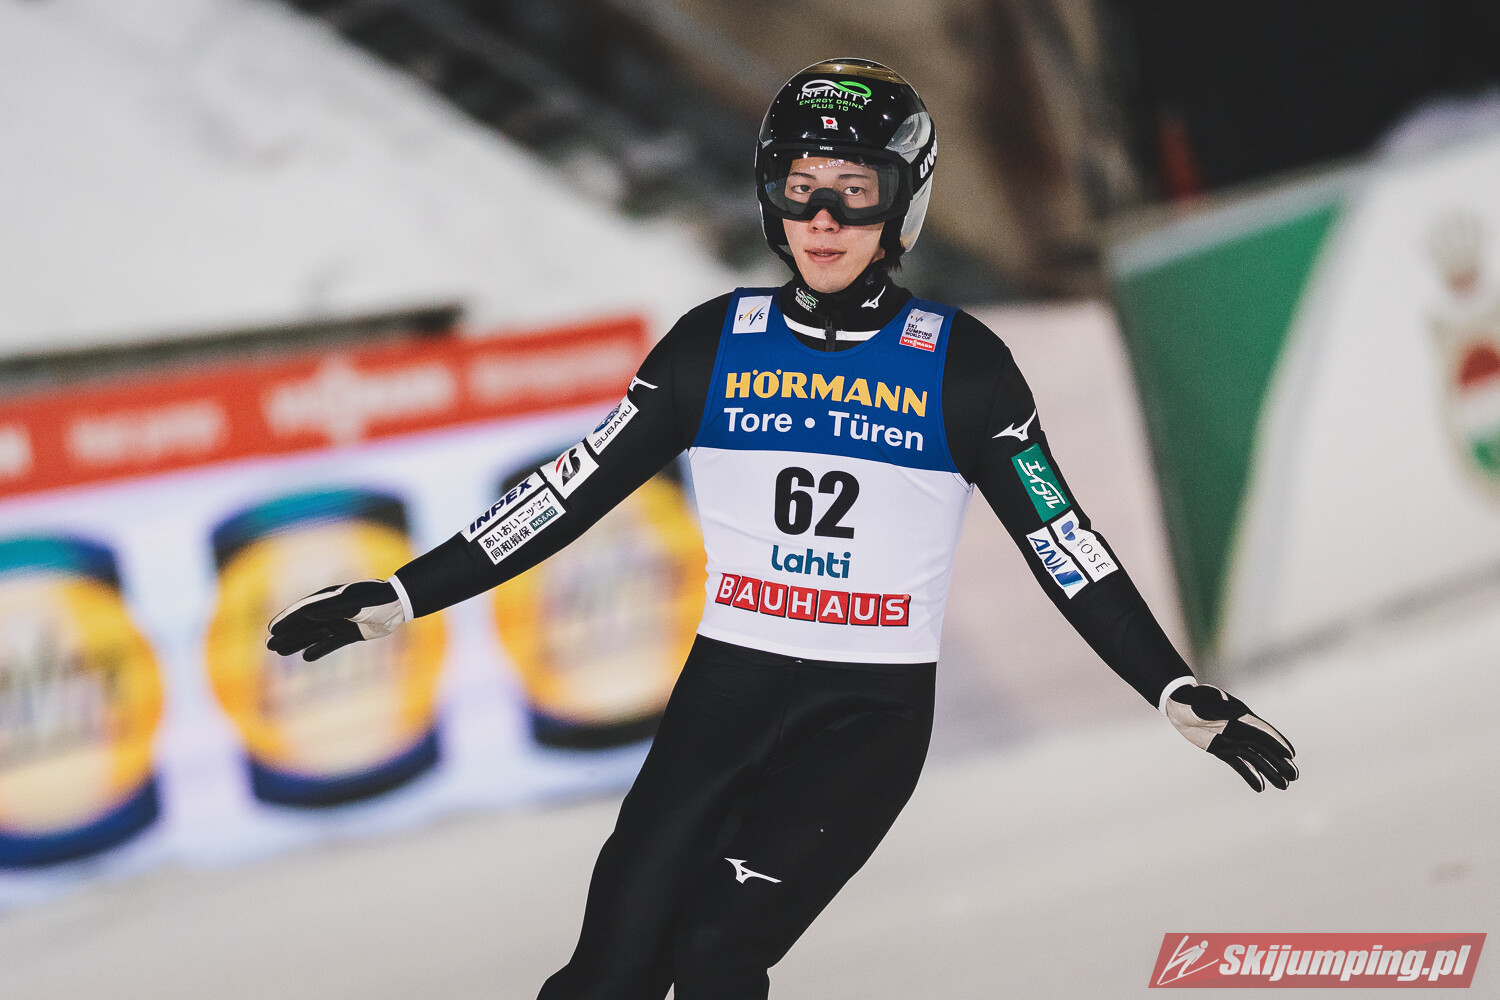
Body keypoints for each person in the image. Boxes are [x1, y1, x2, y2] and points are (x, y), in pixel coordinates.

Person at [267, 58, 1298, 1000]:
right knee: (608, 975)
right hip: (725, 697)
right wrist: (401, 593)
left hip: (864, 719)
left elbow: (1061, 541)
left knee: (716, 955)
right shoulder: (712, 345)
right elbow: (567, 491)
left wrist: (1170, 684)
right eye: (801, 185)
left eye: (856, 190)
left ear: (905, 203)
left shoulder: (963, 366)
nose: (823, 217)